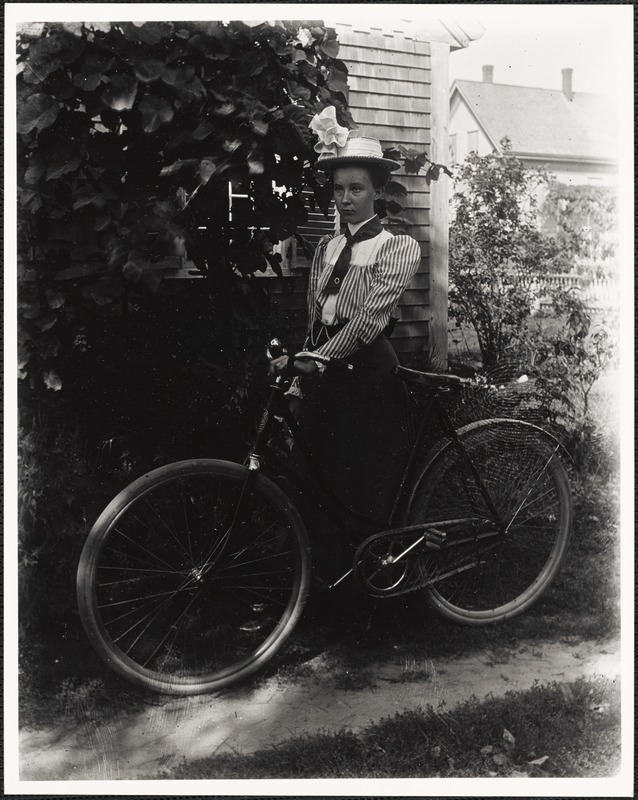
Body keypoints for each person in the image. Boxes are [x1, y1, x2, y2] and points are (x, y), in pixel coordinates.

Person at [270, 110, 422, 578]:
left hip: (368, 375)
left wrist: (318, 360)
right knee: (308, 476)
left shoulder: (396, 247)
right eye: (338, 190)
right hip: (324, 370)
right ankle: (313, 582)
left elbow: (368, 320)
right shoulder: (327, 250)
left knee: (357, 481)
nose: (345, 199)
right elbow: (318, 320)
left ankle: (364, 586)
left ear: (378, 191)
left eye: (356, 189)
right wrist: (298, 363)